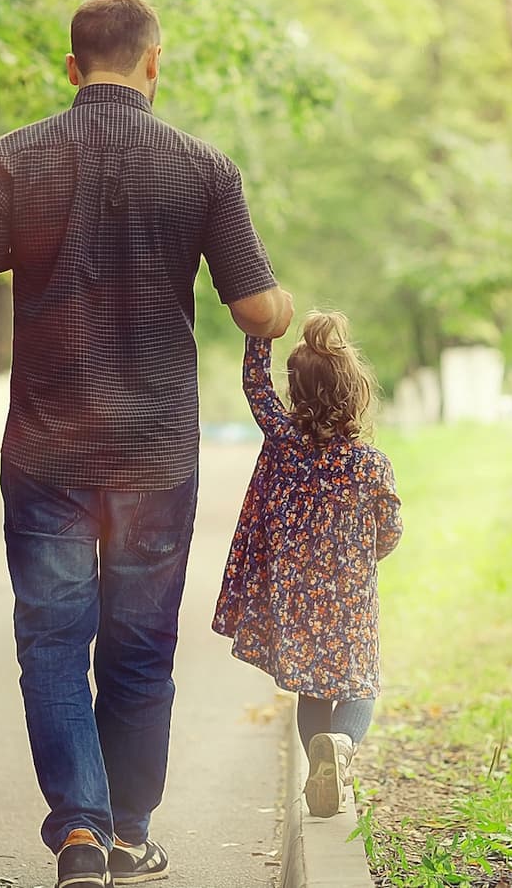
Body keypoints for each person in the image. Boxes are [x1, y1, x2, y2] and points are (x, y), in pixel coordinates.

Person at [0, 0, 294, 888]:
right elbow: (251, 306)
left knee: (50, 639)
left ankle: (78, 834)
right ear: (154, 64)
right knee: (139, 643)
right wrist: (278, 307)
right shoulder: (205, 170)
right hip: (157, 453)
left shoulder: (11, 161)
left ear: (72, 68)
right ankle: (128, 831)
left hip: (47, 452)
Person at [212, 311, 403, 818]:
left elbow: (255, 383)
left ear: (296, 393)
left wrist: (260, 321)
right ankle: (341, 748)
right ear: (356, 392)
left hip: (296, 599)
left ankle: (321, 761)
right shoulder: (370, 464)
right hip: (350, 599)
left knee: (312, 689)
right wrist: (364, 555)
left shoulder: (286, 445)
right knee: (360, 685)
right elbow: (390, 532)